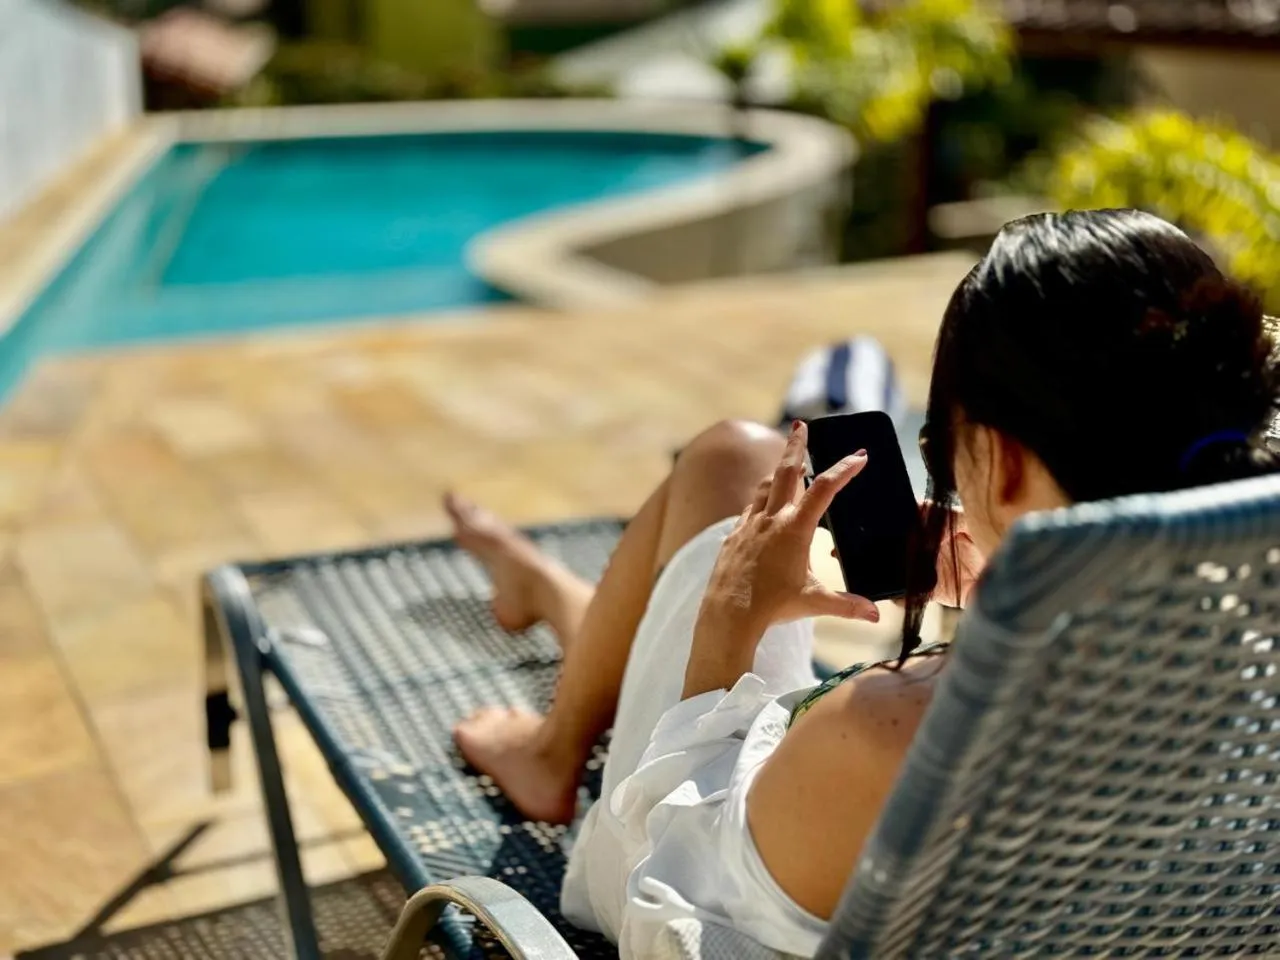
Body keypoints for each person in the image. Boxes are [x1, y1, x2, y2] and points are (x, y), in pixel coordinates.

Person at [443, 209, 1280, 958]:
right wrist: (1006, 583)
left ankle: (553, 740)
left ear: (1010, 459)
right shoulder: (1248, 661)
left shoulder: (885, 735)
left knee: (728, 460)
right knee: (745, 470)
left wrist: (730, 624)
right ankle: (546, 596)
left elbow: (665, 913)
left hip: (711, 853)